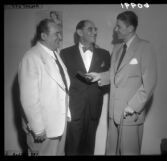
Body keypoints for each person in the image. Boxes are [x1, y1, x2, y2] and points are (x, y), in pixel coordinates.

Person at [87, 11, 157, 155]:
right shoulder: (117, 48)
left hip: (130, 115)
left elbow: (150, 82)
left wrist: (133, 106)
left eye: (118, 26)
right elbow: (113, 74)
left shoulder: (145, 47)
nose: (115, 29)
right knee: (111, 151)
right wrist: (99, 76)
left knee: (129, 152)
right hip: (113, 113)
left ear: (130, 28)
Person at [18, 18, 70, 156]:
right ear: (43, 36)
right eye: (56, 34)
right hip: (44, 128)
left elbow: (63, 88)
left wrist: (67, 114)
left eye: (60, 33)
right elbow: (29, 98)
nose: (60, 37)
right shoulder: (31, 57)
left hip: (58, 124)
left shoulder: (55, 54)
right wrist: (38, 128)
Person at [60, 20, 110, 155]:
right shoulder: (65, 54)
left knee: (89, 146)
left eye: (95, 29)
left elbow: (110, 79)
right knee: (72, 146)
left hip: (94, 108)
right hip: (74, 108)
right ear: (79, 32)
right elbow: (61, 83)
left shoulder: (105, 54)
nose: (95, 32)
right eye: (90, 29)